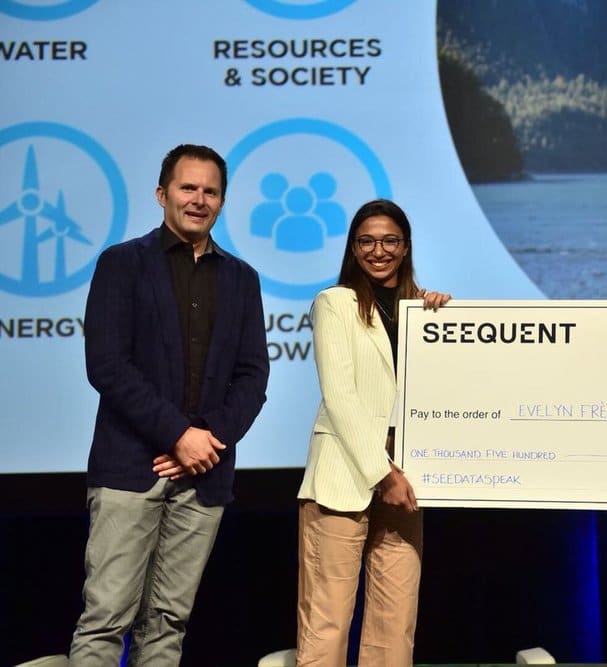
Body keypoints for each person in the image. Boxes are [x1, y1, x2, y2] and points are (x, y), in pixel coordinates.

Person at [70, 144, 270, 666]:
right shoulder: (121, 264)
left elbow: (253, 377)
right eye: (188, 188)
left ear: (222, 201)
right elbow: (107, 365)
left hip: (204, 475)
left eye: (210, 191)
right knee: (105, 620)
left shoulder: (242, 279)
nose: (198, 199)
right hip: (128, 471)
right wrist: (178, 436)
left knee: (168, 625)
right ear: (162, 195)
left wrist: (202, 441)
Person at [295, 199, 449, 666]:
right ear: (353, 248)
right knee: (327, 621)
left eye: (389, 241)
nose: (378, 250)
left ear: (405, 248)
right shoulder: (334, 303)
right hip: (349, 471)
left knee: (394, 622)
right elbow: (341, 397)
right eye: (367, 241)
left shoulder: (421, 310)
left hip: (410, 469)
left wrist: (447, 324)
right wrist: (382, 474)